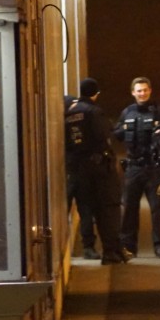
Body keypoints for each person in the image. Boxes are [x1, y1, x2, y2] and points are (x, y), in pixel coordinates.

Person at [65, 78, 129, 265]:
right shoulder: (94, 112)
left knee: (86, 209)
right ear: (96, 94)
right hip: (99, 169)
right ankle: (111, 251)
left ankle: (91, 247)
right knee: (108, 209)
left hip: (77, 169)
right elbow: (104, 135)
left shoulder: (68, 114)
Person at [113, 77, 160, 258]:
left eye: (145, 90)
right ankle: (128, 246)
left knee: (157, 209)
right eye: (139, 90)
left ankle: (159, 245)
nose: (142, 93)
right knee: (129, 208)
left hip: (153, 168)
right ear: (133, 92)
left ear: (150, 90)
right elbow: (117, 134)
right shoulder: (127, 113)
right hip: (133, 168)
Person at [64, 94, 99, 260]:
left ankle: (87, 246)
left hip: (71, 170)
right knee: (85, 209)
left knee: (82, 209)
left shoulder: (64, 118)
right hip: (73, 171)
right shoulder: (69, 116)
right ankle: (88, 246)